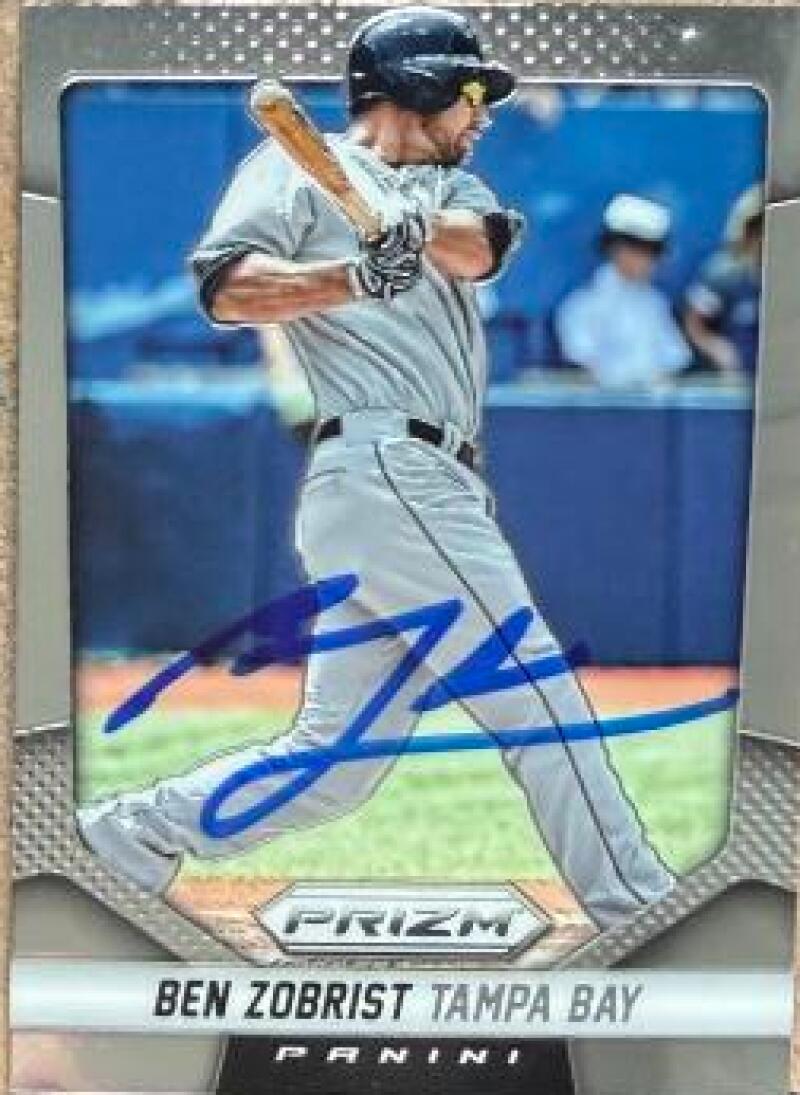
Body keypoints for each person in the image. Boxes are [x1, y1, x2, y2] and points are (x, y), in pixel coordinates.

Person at [78, 6, 675, 931]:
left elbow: (482, 246)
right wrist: (349, 276)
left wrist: (407, 226)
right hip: (385, 464)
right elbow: (227, 289)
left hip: (417, 482)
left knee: (335, 763)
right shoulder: (290, 168)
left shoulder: (453, 186)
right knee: (539, 697)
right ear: (418, 85)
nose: (482, 114)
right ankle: (642, 910)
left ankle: (122, 836)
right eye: (469, 93)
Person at [555, 194, 691, 389]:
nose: (651, 262)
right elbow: (583, 368)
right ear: (618, 248)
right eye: (644, 251)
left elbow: (673, 360)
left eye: (654, 253)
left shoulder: (655, 303)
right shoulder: (580, 307)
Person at [683, 183, 764, 376]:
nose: (763, 238)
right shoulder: (722, 273)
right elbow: (694, 321)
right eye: (757, 228)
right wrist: (717, 348)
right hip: (737, 380)